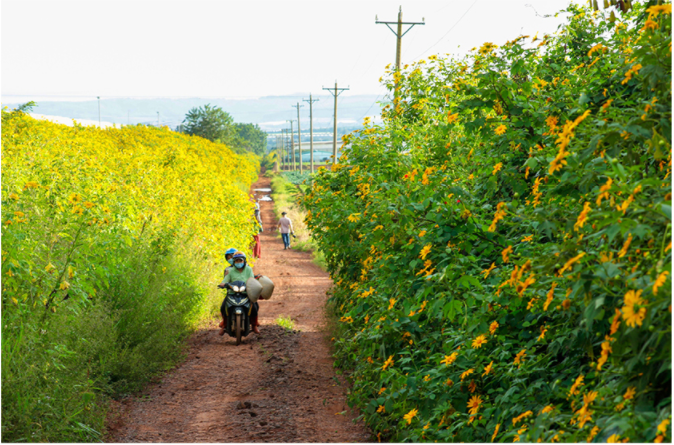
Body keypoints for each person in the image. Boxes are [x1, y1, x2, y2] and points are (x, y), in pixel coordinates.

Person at [217, 252, 261, 335]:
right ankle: (225, 325)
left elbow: (251, 278)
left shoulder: (248, 269)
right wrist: (223, 284)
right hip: (232, 293)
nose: (238, 262)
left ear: (244, 261)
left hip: (245, 292)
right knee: (223, 307)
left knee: (254, 307)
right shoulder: (229, 271)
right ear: (234, 262)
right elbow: (225, 280)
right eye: (236, 261)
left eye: (240, 260)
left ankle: (254, 325)